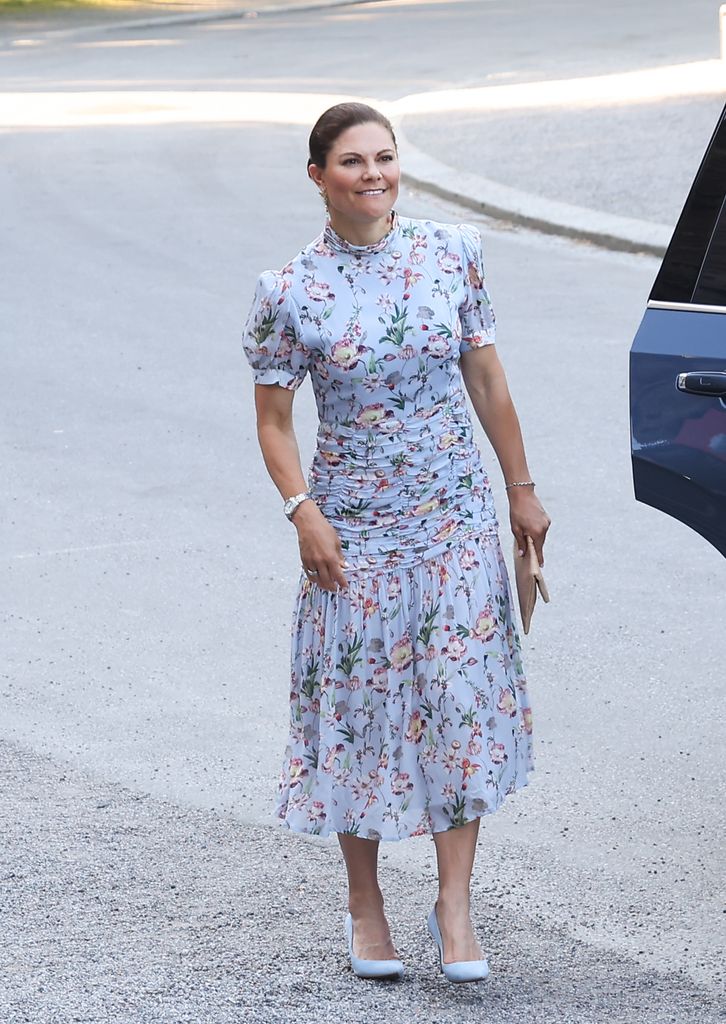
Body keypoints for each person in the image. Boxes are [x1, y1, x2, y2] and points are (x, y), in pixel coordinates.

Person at [242, 102, 551, 983]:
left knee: (458, 704)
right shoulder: (287, 291)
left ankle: (454, 905)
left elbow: (487, 380)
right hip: (355, 533)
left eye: (385, 157)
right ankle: (364, 902)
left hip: (454, 516)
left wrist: (520, 491)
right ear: (318, 176)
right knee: (361, 713)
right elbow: (273, 420)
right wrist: (302, 510)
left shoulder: (454, 254)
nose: (374, 174)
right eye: (352, 162)